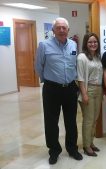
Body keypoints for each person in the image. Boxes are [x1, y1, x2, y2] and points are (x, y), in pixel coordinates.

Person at [35, 17, 83, 165]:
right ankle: (54, 150)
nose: (62, 30)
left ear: (68, 30)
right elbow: (38, 66)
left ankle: (72, 148)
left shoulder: (73, 44)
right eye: (58, 27)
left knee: (71, 121)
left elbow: (75, 66)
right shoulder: (44, 45)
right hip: (51, 89)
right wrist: (47, 81)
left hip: (69, 88)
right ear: (53, 30)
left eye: (64, 28)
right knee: (51, 121)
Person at [77, 33, 103, 157]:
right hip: (88, 90)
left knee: (95, 119)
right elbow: (80, 78)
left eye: (95, 42)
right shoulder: (82, 57)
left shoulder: (98, 57)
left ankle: (91, 142)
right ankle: (86, 146)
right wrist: (84, 94)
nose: (93, 44)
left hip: (99, 90)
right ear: (85, 44)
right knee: (88, 119)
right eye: (90, 42)